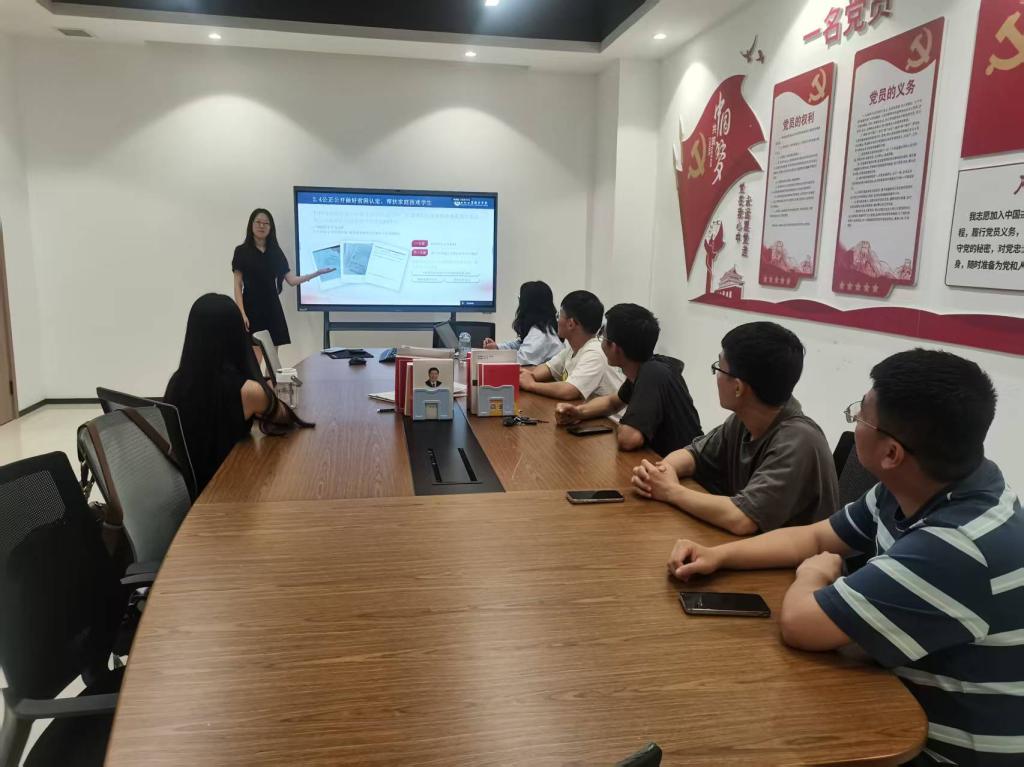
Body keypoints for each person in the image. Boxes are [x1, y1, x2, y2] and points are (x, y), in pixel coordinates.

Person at [666, 349, 1023, 767]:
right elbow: (817, 535)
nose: (854, 422)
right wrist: (718, 555)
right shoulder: (924, 485)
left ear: (891, 453)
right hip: (901, 695)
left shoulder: (955, 547)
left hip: (941, 750)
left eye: (861, 416)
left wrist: (813, 575)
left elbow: (800, 623)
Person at [632, 321, 837, 535]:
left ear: (738, 387)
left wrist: (670, 491)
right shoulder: (745, 420)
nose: (716, 376)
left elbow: (742, 519)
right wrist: (661, 472)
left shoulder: (798, 441)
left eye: (718, 368)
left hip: (791, 557)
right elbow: (694, 455)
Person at [165, 294, 301, 494]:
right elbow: (283, 418)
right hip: (229, 491)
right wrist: (267, 390)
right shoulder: (247, 391)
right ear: (236, 335)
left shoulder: (175, 383)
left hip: (195, 492)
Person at [554, 303, 702, 455]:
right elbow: (612, 403)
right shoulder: (646, 368)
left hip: (684, 468)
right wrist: (578, 412)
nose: (601, 341)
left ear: (615, 348)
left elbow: (628, 439)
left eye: (603, 336)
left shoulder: (652, 374)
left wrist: (625, 425)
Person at [231, 208, 334, 349]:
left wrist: (316, 273)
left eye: (266, 223)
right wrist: (241, 313)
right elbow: (237, 285)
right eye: (258, 222)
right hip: (251, 307)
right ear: (251, 224)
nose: (262, 226)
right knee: (255, 355)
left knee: (272, 356)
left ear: (271, 227)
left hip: (272, 307)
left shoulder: (275, 251)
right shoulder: (241, 251)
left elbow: (291, 280)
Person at [518, 290, 624, 403]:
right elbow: (548, 368)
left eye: (559, 315)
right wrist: (529, 375)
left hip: (608, 415)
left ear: (571, 324)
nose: (557, 320)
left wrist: (531, 385)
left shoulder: (595, 352)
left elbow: (569, 390)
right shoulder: (573, 348)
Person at [482, 281, 564, 366]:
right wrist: (497, 347)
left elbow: (520, 362)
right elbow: (521, 344)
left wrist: (492, 357)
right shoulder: (543, 328)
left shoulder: (540, 335)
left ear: (528, 305)